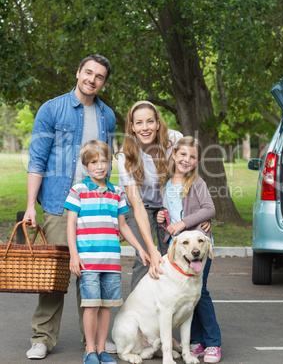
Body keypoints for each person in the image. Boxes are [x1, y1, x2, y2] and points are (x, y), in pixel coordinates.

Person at [23, 54, 117, 360]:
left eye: (99, 76)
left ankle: (90, 340)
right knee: (55, 275)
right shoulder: (52, 109)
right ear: (78, 73)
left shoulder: (108, 117)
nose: (92, 79)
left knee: (91, 273)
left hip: (95, 207)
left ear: (104, 82)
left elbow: (107, 164)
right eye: (88, 72)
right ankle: (42, 338)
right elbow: (37, 161)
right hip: (57, 204)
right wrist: (30, 207)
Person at [64, 140, 150, 364]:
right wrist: (74, 254)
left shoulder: (117, 192)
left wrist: (140, 248)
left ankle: (102, 349)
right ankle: (90, 350)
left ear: (110, 164)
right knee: (91, 307)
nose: (99, 166)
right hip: (88, 261)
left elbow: (123, 226)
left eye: (103, 161)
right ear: (86, 166)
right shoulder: (78, 190)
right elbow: (70, 224)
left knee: (105, 307)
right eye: (94, 162)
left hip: (111, 261)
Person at [157, 136, 222, 363]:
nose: (187, 160)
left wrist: (184, 224)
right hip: (180, 252)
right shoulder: (165, 184)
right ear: (174, 154)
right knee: (187, 297)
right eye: (183, 154)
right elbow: (171, 216)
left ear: (197, 161)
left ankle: (213, 343)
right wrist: (161, 218)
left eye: (193, 157)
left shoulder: (196, 183)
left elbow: (209, 209)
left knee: (199, 293)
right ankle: (195, 341)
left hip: (198, 249)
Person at [117, 100, 183, 290]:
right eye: (139, 123)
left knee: (170, 253)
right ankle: (137, 310)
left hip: (166, 204)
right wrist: (150, 247)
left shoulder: (174, 140)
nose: (145, 128)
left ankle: (168, 304)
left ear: (158, 123)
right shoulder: (125, 155)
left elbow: (188, 179)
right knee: (146, 254)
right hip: (137, 205)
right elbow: (137, 206)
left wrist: (199, 214)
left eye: (149, 122)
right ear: (132, 127)